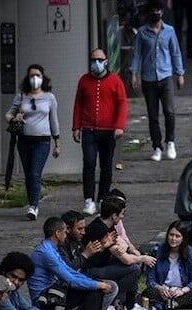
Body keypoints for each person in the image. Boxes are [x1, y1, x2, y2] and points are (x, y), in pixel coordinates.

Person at [28, 217, 117, 310]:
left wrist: (95, 282)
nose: (65, 235)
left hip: (55, 292)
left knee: (96, 286)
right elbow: (69, 279)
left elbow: (70, 272)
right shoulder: (46, 252)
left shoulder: (51, 248)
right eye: (64, 232)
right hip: (45, 300)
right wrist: (96, 284)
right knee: (94, 289)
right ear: (57, 233)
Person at [82, 197, 158, 310]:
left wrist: (132, 252)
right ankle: (108, 303)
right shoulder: (100, 229)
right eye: (122, 213)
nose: (123, 217)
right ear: (114, 216)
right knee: (133, 268)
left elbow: (121, 249)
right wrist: (143, 258)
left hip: (103, 263)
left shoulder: (109, 226)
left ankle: (130, 305)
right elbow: (126, 259)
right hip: (91, 270)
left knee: (134, 264)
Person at [72, 48, 128, 216]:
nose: (96, 63)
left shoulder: (115, 80)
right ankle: (88, 199)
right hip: (89, 129)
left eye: (99, 59)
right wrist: (76, 127)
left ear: (106, 61)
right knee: (89, 163)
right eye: (93, 59)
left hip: (109, 130)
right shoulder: (84, 81)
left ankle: (102, 197)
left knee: (106, 165)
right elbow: (78, 104)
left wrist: (119, 125)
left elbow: (122, 104)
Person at [130, 0, 186, 162]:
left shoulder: (169, 31)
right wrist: (134, 73)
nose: (156, 13)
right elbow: (137, 53)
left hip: (166, 76)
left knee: (169, 111)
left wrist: (179, 73)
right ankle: (157, 146)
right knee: (153, 115)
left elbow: (175, 52)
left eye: (159, 10)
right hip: (148, 78)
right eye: (153, 10)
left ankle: (170, 141)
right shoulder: (142, 32)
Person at [5, 64, 62, 220]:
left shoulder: (49, 98)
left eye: (37, 75)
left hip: (42, 141)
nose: (34, 79)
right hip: (24, 140)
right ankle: (32, 201)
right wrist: (14, 118)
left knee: (35, 173)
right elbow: (8, 115)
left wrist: (57, 142)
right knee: (29, 174)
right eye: (31, 76)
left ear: (43, 78)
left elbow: (54, 120)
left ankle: (34, 206)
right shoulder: (22, 96)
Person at [143, 221, 192, 310]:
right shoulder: (157, 251)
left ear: (183, 238)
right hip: (163, 291)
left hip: (181, 292)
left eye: (177, 236)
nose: (173, 239)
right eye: (171, 235)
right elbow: (150, 280)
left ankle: (174, 304)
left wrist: (182, 291)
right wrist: (160, 288)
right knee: (148, 292)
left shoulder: (190, 253)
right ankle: (181, 304)